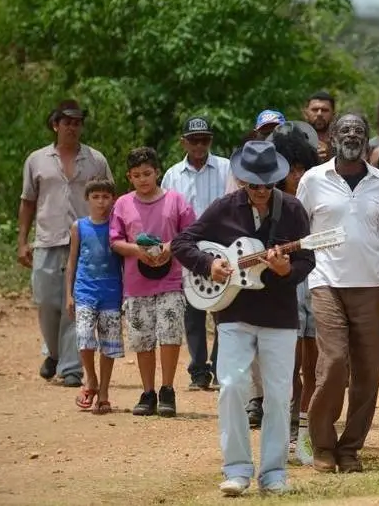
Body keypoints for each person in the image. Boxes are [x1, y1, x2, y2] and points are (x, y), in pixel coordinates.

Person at [173, 140, 316, 496]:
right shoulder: (223, 208)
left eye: (268, 184)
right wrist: (209, 264)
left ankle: (273, 473)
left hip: (280, 316)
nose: (262, 191)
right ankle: (236, 469)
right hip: (233, 312)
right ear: (241, 181)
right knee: (233, 387)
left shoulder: (294, 209)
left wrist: (286, 269)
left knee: (279, 396)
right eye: (254, 185)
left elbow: (308, 259)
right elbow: (181, 243)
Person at [298, 113, 379, 474]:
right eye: (345, 130)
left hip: (370, 283)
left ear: (367, 139)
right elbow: (302, 229)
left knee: (367, 371)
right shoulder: (313, 179)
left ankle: (351, 447)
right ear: (333, 137)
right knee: (334, 362)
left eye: (358, 131)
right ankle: (323, 443)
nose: (352, 135)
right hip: (326, 281)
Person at [19, 100, 112, 387]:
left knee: (76, 304)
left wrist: (112, 236)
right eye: (67, 122)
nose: (73, 127)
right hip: (47, 239)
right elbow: (28, 201)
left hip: (86, 241)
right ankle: (55, 353)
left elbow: (110, 198)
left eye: (78, 122)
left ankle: (71, 369)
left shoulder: (96, 159)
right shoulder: (37, 159)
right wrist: (22, 240)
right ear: (55, 124)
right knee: (47, 302)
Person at [109, 147, 196, 416]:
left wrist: (169, 248)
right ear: (129, 177)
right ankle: (147, 392)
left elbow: (191, 233)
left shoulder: (176, 201)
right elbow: (115, 240)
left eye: (147, 173)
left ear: (157, 172)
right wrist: (137, 251)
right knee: (142, 338)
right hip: (136, 283)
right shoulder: (122, 204)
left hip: (170, 280)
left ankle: (167, 389)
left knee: (170, 335)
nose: (143, 179)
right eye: (137, 175)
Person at [160, 116, 231, 391]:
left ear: (210, 141)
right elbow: (167, 214)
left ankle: (220, 366)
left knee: (224, 309)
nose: (199, 145)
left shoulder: (226, 168)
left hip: (222, 248)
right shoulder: (172, 175)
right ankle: (198, 370)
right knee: (193, 311)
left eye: (204, 140)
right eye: (194, 140)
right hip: (188, 250)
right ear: (184, 142)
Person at [266, 123, 323, 465]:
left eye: (302, 167)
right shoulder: (270, 202)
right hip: (284, 285)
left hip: (315, 280)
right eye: (290, 168)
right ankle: (285, 430)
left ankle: (306, 432)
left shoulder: (318, 193)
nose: (297, 174)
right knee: (287, 365)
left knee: (313, 365)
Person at [64, 177, 123, 414]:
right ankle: (91, 380)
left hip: (111, 292)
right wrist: (69, 294)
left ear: (113, 199)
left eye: (106, 196)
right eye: (96, 197)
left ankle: (105, 392)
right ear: (87, 199)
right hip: (85, 291)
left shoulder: (117, 227)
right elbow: (72, 261)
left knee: (109, 345)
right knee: (84, 337)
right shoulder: (79, 226)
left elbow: (123, 264)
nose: (101, 201)